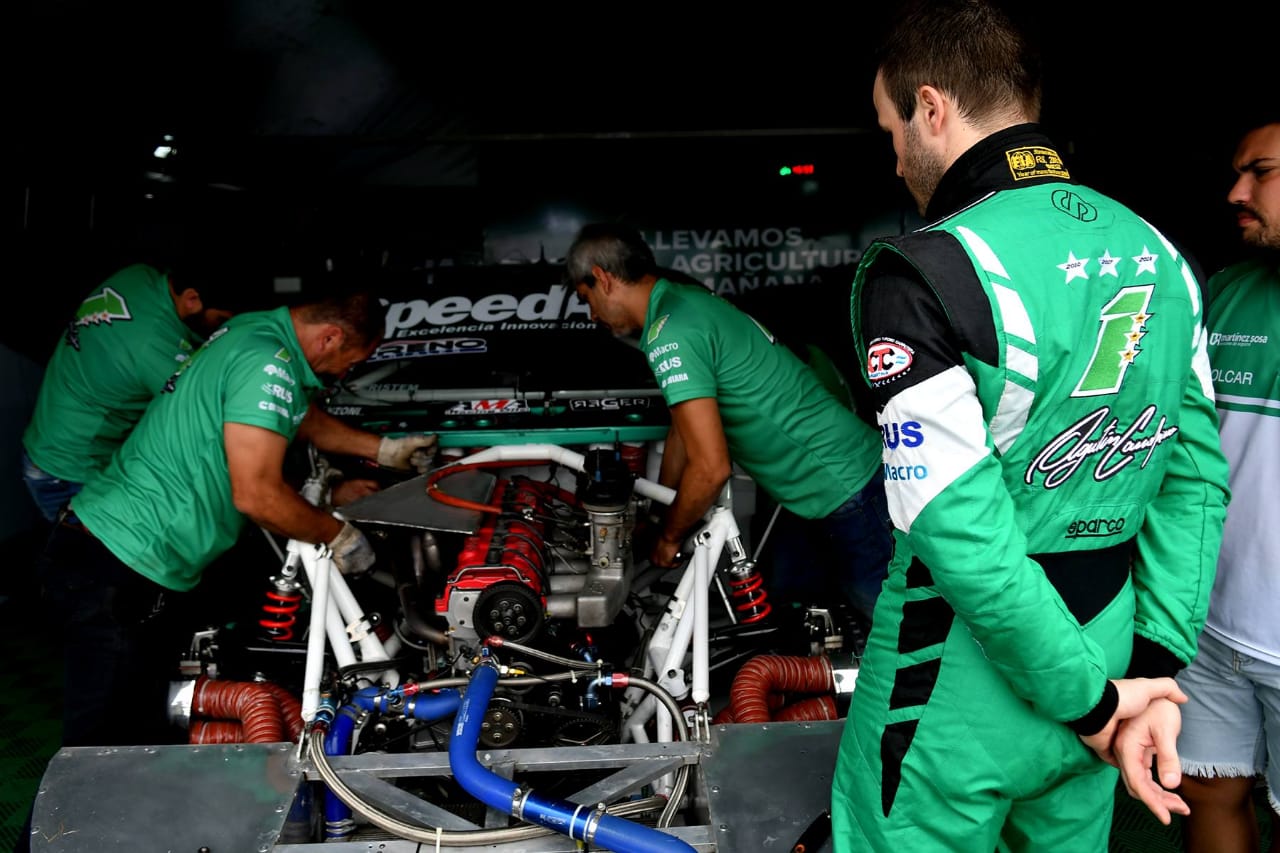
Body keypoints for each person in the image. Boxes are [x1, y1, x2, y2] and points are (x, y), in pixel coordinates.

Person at [829, 1, 1232, 851]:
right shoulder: (1163, 255)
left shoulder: (928, 270)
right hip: (1115, 648)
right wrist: (1143, 679)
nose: (894, 155)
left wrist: (1088, 701)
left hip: (954, 685)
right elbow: (1196, 480)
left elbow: (957, 528)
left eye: (890, 126)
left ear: (931, 108)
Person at [36, 290, 438, 748]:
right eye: (352, 359)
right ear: (330, 336)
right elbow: (257, 495)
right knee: (96, 751)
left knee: (138, 734)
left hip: (119, 553)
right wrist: (340, 536)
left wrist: (381, 450)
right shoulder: (267, 361)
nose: (347, 372)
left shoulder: (253, 332)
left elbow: (298, 415)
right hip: (116, 561)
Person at [564, 222, 892, 621]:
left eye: (587, 298)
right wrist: (657, 514)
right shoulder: (682, 304)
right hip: (827, 487)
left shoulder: (672, 332)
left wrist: (669, 537)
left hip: (848, 488)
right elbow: (683, 433)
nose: (592, 314)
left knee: (893, 633)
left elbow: (711, 468)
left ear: (602, 278)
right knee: (804, 615)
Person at [1175, 119, 1280, 853]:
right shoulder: (1224, 292)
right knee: (1209, 789)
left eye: (1262, 172)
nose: (1235, 192)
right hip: (1207, 622)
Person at [20, 261, 236, 522]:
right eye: (221, 320)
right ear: (191, 299)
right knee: (97, 560)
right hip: (70, 471)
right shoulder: (155, 347)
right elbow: (210, 421)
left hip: (48, 440)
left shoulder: (137, 276)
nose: (221, 328)